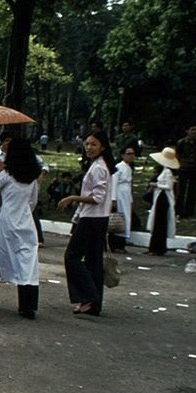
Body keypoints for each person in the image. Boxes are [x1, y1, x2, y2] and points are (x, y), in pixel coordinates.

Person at [0, 137, 42, 319]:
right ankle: (28, 306)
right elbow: (33, 202)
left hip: (6, 222)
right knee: (27, 263)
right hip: (26, 222)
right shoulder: (32, 178)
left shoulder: (7, 175)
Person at [58, 130, 115, 317]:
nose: (89, 148)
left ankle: (89, 296)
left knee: (72, 257)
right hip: (97, 218)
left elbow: (97, 198)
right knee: (93, 261)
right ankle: (93, 303)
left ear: (102, 147)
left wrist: (73, 198)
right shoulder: (99, 165)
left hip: (92, 219)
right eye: (87, 144)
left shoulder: (99, 168)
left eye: (94, 144)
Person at [146, 147, 178, 256]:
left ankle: (157, 248)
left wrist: (156, 185)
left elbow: (168, 186)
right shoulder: (164, 170)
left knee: (160, 223)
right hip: (160, 196)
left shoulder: (167, 172)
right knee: (157, 222)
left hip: (163, 198)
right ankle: (154, 247)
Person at [174, 124, 196, 218]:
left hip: (194, 167)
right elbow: (178, 154)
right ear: (187, 131)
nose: (194, 132)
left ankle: (189, 211)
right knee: (181, 190)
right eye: (192, 130)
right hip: (184, 168)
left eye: (195, 130)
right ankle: (179, 210)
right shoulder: (181, 142)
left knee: (192, 190)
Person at [109, 144, 136, 253]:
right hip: (119, 194)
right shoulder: (119, 167)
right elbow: (114, 182)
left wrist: (131, 199)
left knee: (126, 218)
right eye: (128, 154)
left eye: (132, 154)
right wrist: (113, 199)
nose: (131, 156)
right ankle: (116, 244)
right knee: (119, 219)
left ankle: (121, 243)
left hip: (126, 195)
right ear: (122, 155)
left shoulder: (129, 168)